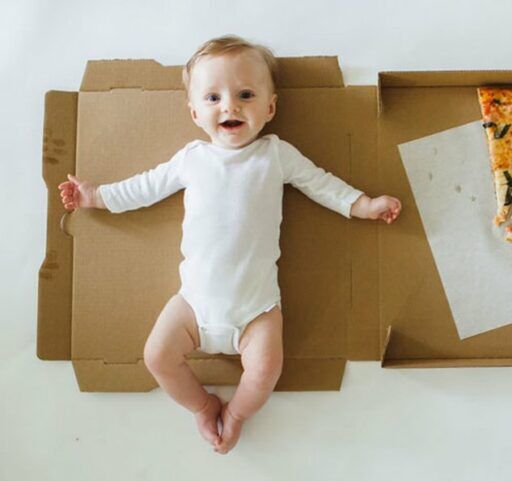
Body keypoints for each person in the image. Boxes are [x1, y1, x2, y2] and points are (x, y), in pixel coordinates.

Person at [58, 35, 401, 455]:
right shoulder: (191, 159)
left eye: (245, 95)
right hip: (192, 305)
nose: (230, 106)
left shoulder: (276, 155)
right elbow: (144, 187)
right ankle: (202, 407)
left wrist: (363, 205)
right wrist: (96, 197)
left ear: (270, 107)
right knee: (156, 357)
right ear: (195, 112)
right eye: (214, 97)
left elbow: (320, 183)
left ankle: (236, 414)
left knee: (266, 370)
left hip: (256, 310)